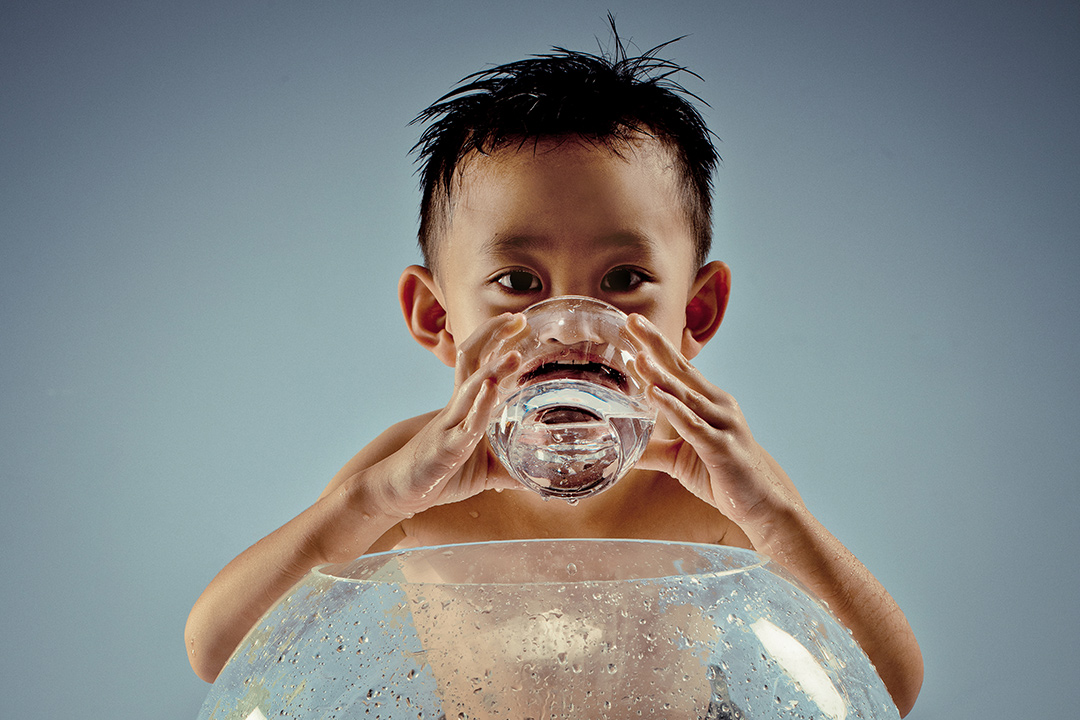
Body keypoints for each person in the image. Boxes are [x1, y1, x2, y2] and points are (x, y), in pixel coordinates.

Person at [185, 29, 923, 716]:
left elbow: (888, 684)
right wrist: (376, 499)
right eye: (518, 282)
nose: (570, 323)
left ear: (696, 312)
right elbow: (218, 649)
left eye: (625, 277)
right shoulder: (409, 481)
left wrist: (769, 512)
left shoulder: (711, 483)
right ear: (436, 316)